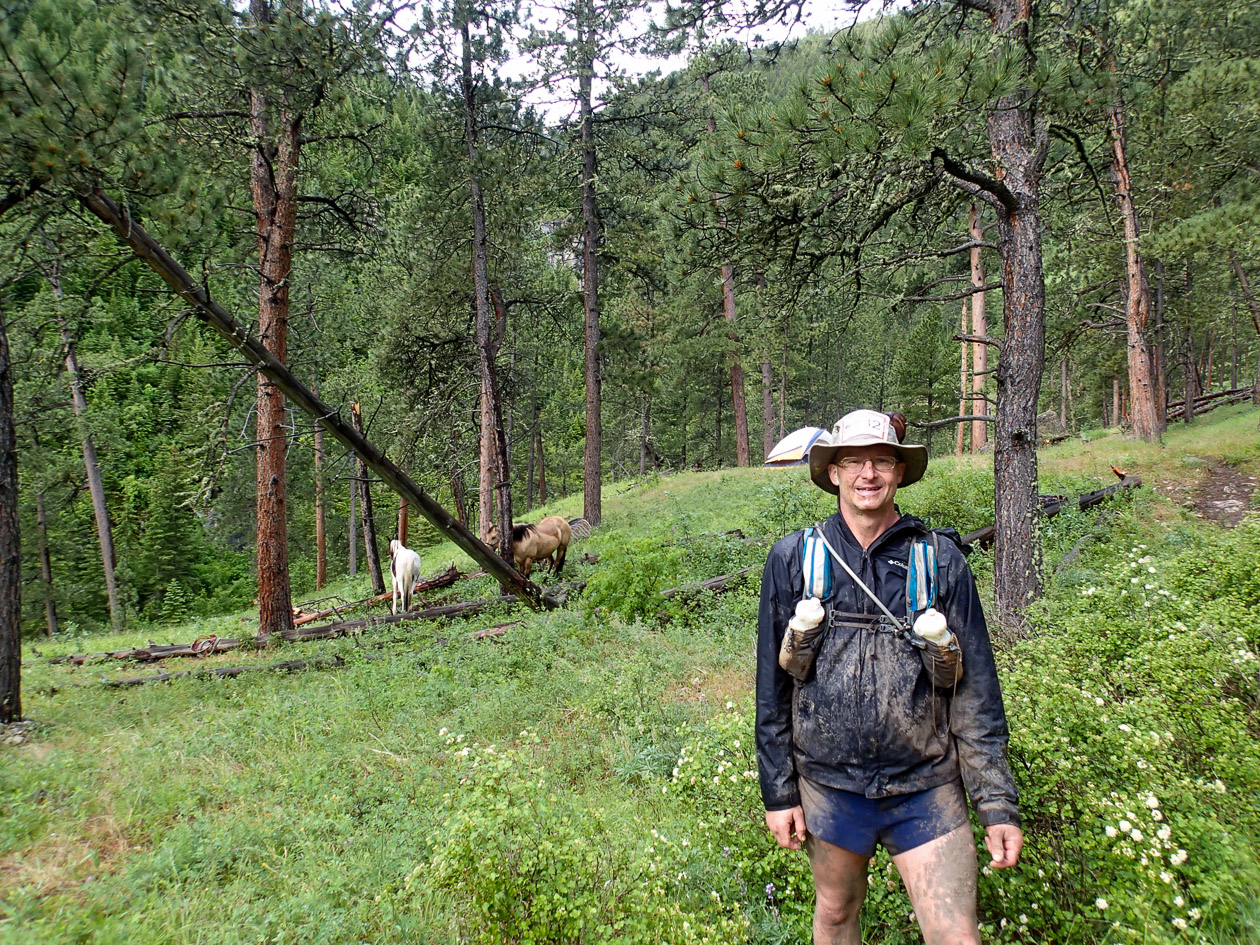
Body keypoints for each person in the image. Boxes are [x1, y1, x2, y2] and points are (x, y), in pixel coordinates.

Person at [755, 409, 1023, 945]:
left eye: (881, 461)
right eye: (854, 461)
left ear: (900, 471)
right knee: (835, 914)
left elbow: (975, 693)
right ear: (833, 472)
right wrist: (778, 793)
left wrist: (996, 802)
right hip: (829, 786)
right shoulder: (793, 559)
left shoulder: (940, 561)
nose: (868, 474)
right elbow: (772, 689)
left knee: (955, 935)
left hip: (926, 786)